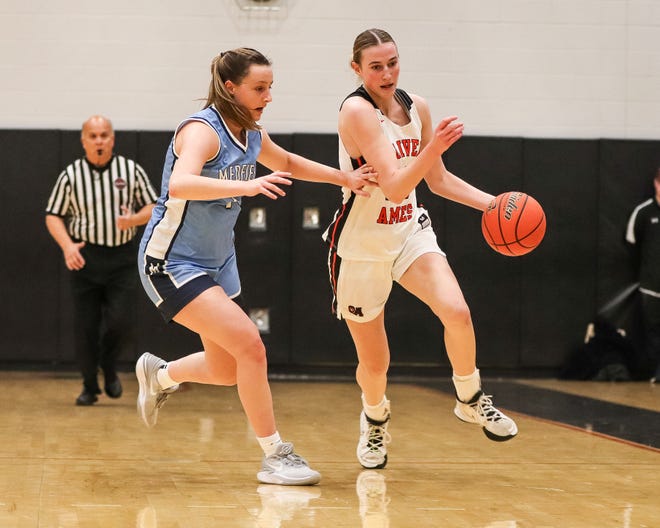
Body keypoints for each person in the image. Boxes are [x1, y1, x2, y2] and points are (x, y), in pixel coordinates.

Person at [135, 47, 375, 486]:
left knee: (226, 369)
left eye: (270, 88)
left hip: (218, 261)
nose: (267, 96)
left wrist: (346, 178)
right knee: (251, 346)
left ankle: (161, 374)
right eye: (259, 88)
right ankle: (275, 455)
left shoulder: (250, 134)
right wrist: (248, 183)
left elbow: (287, 162)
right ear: (231, 87)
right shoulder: (202, 131)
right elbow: (179, 183)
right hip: (172, 261)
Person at [322, 28, 518, 470]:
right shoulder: (356, 111)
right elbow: (393, 186)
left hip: (409, 230)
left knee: (458, 311)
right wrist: (431, 149)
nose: (387, 72)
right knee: (376, 364)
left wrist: (493, 205)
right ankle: (374, 419)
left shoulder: (417, 106)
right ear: (356, 69)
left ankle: (469, 396)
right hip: (362, 245)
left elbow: (437, 180)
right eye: (376, 66)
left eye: (392, 62)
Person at [45, 115, 158, 406]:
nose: (99, 141)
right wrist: (68, 246)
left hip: (120, 258)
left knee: (120, 322)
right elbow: (53, 214)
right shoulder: (70, 175)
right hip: (85, 258)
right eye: (93, 136)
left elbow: (153, 205)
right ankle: (88, 386)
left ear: (112, 139)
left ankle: (108, 366)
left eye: (104, 135)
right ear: (83, 140)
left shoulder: (129, 170)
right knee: (86, 326)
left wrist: (132, 219)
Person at [625, 168, 660, 382]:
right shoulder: (645, 212)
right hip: (651, 285)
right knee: (653, 333)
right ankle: (655, 373)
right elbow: (631, 242)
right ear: (656, 183)